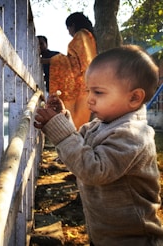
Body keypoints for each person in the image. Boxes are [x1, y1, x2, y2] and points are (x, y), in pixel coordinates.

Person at [34, 45, 163, 245]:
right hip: (104, 231)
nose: (90, 99)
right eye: (88, 91)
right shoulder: (100, 125)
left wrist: (59, 130)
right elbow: (80, 147)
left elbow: (93, 169)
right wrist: (61, 118)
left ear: (134, 97)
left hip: (133, 238)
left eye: (99, 92)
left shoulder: (133, 134)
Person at [48, 12, 97, 129]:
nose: (68, 32)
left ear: (73, 25)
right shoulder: (91, 36)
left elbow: (75, 61)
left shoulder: (81, 36)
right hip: (91, 81)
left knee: (76, 123)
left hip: (82, 84)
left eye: (68, 28)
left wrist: (54, 60)